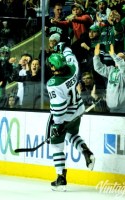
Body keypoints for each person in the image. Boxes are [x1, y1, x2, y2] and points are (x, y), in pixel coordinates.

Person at [46, 53, 95, 191]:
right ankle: (86, 152)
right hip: (78, 110)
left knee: (57, 146)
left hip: (65, 116)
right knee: (72, 135)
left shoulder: (53, 84)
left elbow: (59, 106)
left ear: (54, 67)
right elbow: (69, 53)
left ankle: (61, 178)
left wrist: (58, 124)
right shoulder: (73, 66)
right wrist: (63, 48)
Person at [93, 43, 125, 114]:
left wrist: (114, 55)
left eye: (121, 57)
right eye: (116, 57)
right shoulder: (111, 70)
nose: (117, 59)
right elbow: (98, 68)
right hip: (112, 108)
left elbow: (124, 68)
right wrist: (96, 56)